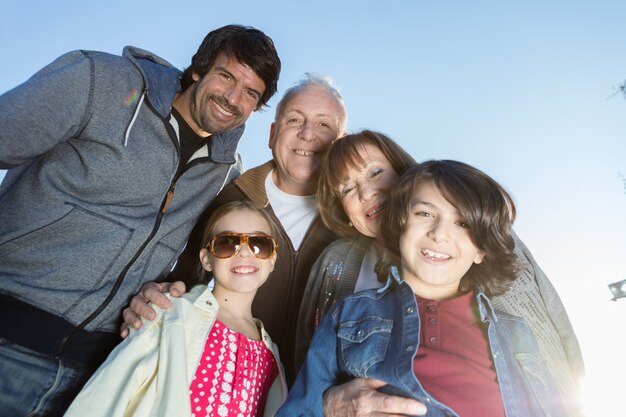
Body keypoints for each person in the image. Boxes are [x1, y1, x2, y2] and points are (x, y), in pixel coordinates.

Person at [0, 24, 281, 416]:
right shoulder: (102, 82)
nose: (233, 98)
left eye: (250, 93)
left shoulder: (224, 172)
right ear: (198, 70)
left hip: (95, 372)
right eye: (226, 76)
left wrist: (159, 288)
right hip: (11, 333)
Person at [297, 130, 584, 416]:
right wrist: (326, 406)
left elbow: (547, 344)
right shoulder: (338, 275)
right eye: (347, 189)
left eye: (375, 172)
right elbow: (304, 371)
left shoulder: (478, 243)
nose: (366, 193)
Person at [123, 73, 347, 384]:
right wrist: (154, 298)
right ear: (272, 135)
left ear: (341, 142)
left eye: (324, 124)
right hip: (224, 386)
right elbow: (186, 282)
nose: (308, 134)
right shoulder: (224, 198)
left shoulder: (356, 221)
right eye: (295, 120)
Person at [64, 200, 287, 417]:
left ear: (273, 260)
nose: (245, 253)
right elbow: (110, 391)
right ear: (207, 259)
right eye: (227, 243)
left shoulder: (272, 353)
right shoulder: (171, 312)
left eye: (260, 244)